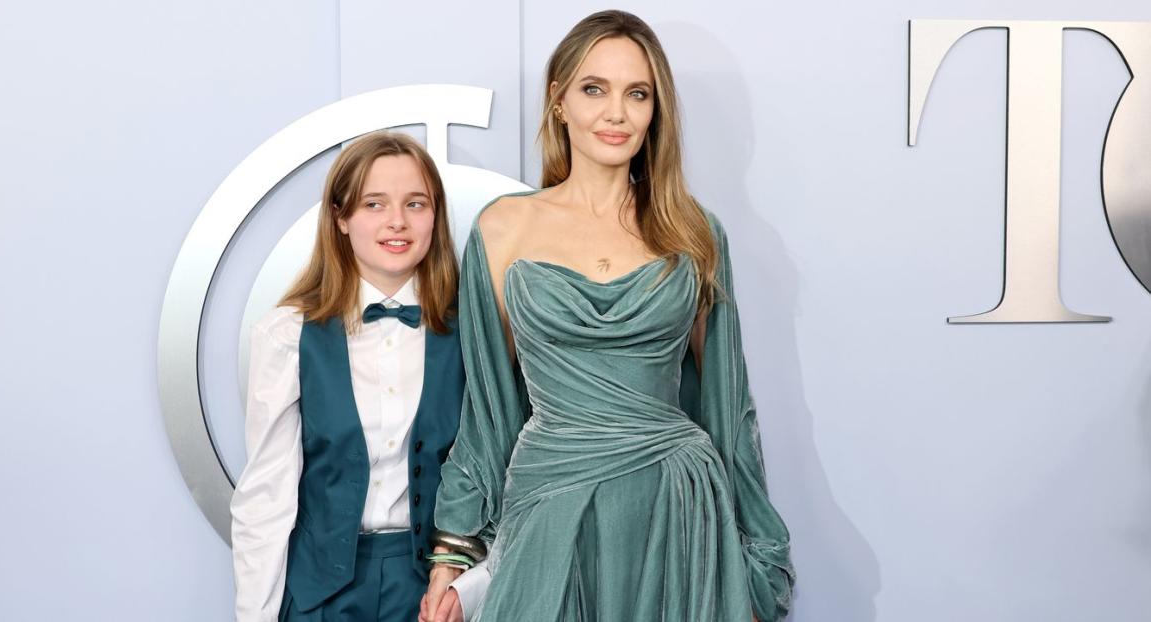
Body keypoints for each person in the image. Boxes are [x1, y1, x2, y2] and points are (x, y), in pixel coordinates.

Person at [420, 10, 795, 622]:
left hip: (676, 508)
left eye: (636, 94)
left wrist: (754, 559)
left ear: (656, 111)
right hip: (551, 501)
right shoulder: (503, 228)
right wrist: (454, 555)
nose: (616, 113)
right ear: (559, 100)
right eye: (594, 89)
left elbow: (729, 408)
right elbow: (488, 415)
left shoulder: (693, 233)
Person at [231, 131, 479, 621]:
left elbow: (494, 479)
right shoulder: (287, 335)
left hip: (433, 594)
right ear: (341, 218)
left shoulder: (473, 335)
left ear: (436, 217)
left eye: (416, 203)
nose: (397, 222)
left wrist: (469, 589)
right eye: (373, 204)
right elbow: (266, 495)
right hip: (318, 593)